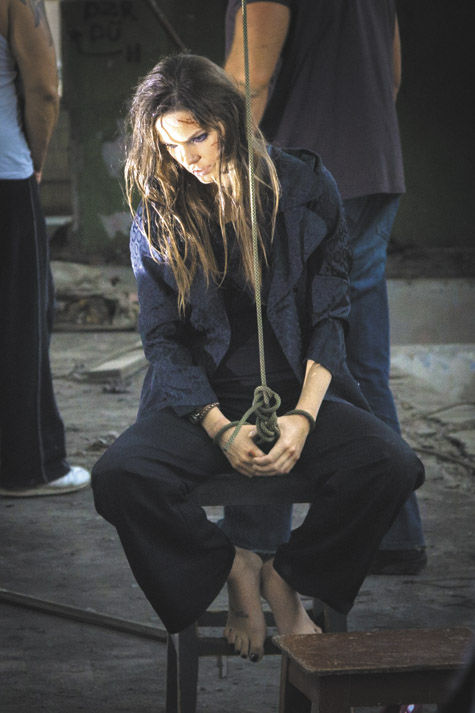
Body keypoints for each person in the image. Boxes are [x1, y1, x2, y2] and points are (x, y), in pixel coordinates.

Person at [91, 53, 424, 661]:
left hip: (297, 392)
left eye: (199, 137)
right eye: (170, 146)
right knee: (120, 477)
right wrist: (219, 429)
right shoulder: (158, 215)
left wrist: (304, 417)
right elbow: (163, 340)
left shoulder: (305, 187)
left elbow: (330, 315)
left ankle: (288, 575)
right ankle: (234, 562)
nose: (187, 158)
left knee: (391, 466)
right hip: (200, 404)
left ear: (229, 121)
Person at [222, 0, 427, 575]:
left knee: (268, 356)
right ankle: (391, 534)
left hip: (300, 181)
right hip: (373, 168)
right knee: (358, 361)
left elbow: (246, 82)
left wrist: (223, 178)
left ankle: (255, 540)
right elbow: (391, 76)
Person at [0, 0, 90, 497]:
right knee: (19, 323)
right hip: (4, 175)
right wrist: (37, 161)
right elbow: (44, 88)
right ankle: (28, 467)